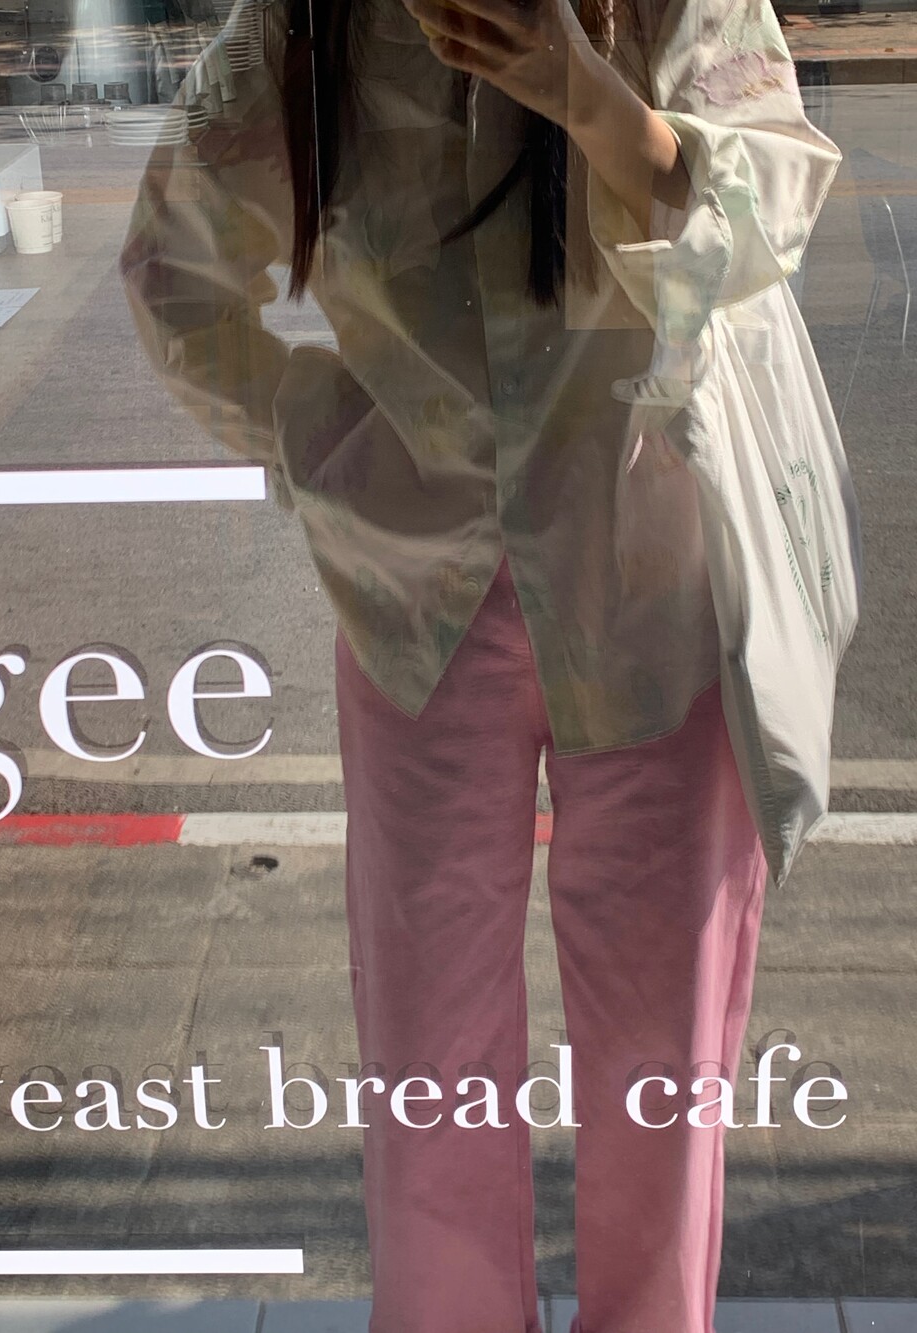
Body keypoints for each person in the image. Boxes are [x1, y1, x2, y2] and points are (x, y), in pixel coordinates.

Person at [118, 0, 845, 1328]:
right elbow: (172, 267)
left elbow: (771, 217)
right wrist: (320, 433)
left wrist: (594, 101)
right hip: (421, 606)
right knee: (428, 1051)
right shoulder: (309, 25)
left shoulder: (657, 6)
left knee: (665, 1052)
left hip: (651, 589)